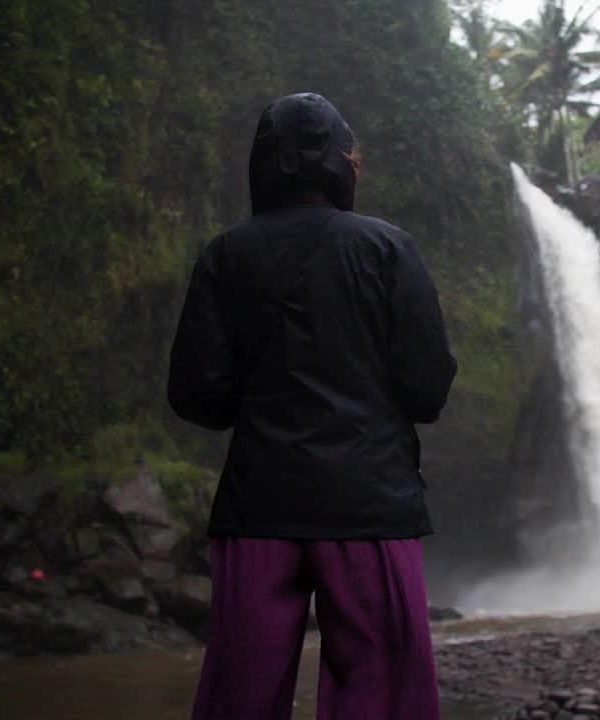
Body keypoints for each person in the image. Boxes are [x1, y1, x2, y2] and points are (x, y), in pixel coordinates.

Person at [168, 92, 457, 720]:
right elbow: (428, 386)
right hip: (369, 507)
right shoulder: (388, 249)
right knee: (383, 695)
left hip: (259, 508)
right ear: (341, 164)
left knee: (239, 697)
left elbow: (197, 394)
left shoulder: (226, 254)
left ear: (262, 165)